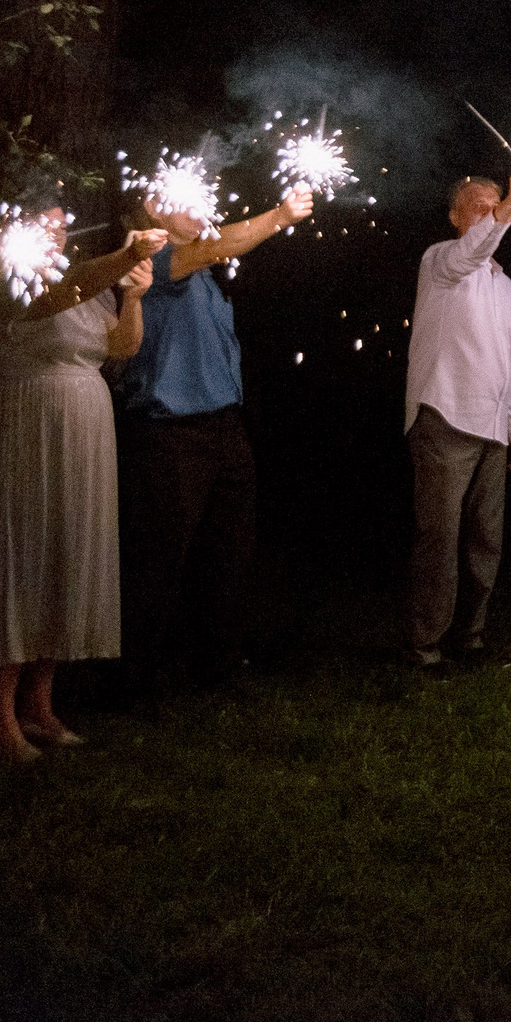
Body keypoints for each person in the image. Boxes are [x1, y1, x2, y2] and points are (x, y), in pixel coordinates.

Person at [0, 215, 167, 760]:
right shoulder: (12, 279)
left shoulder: (85, 283)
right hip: (24, 427)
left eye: (60, 225)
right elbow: (56, 296)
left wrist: (134, 296)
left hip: (84, 431)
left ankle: (40, 707)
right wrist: (123, 261)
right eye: (41, 223)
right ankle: (0, 719)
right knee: (20, 558)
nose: (54, 234)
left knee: (62, 557)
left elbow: (121, 348)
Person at [117, 183, 314, 697]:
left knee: (229, 551)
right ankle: (134, 678)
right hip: (170, 431)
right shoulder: (149, 255)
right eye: (187, 197)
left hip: (224, 427)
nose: (204, 204)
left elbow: (214, 249)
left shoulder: (204, 275)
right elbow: (215, 245)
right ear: (156, 208)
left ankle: (218, 666)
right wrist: (280, 215)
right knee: (160, 557)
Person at [403, 172, 511, 668]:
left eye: (494, 204)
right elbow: (469, 255)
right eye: (478, 206)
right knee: (439, 538)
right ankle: (425, 645)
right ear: (456, 217)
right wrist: (508, 208)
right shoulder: (440, 259)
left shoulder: (504, 283)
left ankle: (471, 637)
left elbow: (508, 359)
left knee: (487, 539)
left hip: (492, 426)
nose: (489, 210)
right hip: (444, 414)